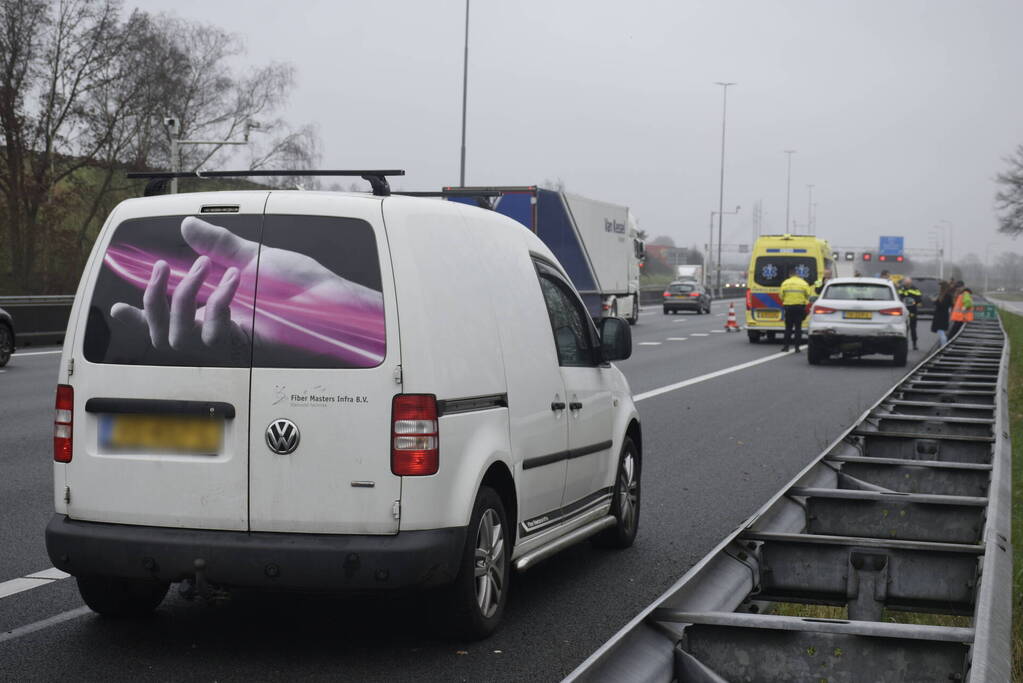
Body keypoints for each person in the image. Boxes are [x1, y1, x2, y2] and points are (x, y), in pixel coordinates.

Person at [779, 266, 817, 352]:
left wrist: (786, 300)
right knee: (798, 328)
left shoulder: (785, 283)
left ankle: (786, 347)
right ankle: (797, 348)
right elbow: (808, 295)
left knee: (788, 328)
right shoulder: (803, 283)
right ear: (797, 274)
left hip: (788, 308)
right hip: (799, 308)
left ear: (790, 274)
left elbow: (781, 296)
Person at [897, 277, 923, 350]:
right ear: (904, 282)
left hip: (912, 311)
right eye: (906, 283)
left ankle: (914, 344)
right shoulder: (901, 288)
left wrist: (914, 302)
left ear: (910, 283)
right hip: (902, 311)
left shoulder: (915, 289)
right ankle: (903, 344)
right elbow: (898, 297)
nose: (907, 284)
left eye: (908, 283)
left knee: (913, 328)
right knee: (903, 328)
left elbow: (919, 299)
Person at [931, 280, 953, 346]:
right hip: (942, 315)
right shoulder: (947, 295)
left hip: (941, 316)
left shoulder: (946, 296)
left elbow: (942, 305)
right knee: (941, 331)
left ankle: (944, 345)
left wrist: (935, 301)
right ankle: (943, 344)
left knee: (941, 331)